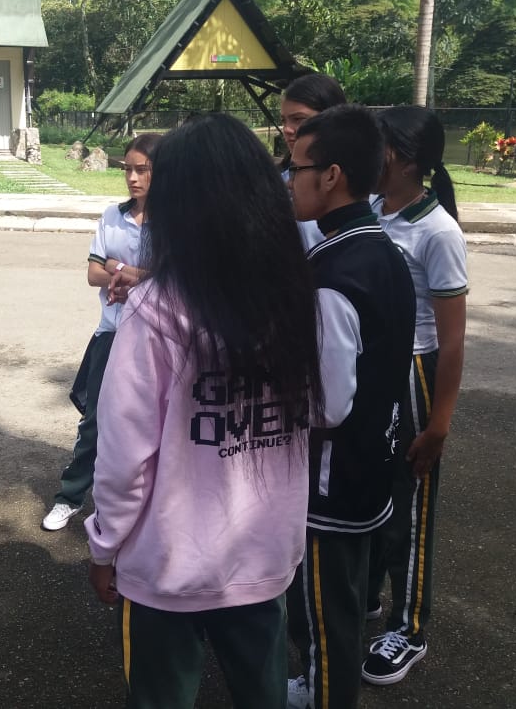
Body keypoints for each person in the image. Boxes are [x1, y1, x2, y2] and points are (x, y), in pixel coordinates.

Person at [85, 112, 323, 708]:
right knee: (263, 694)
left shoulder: (154, 309)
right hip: (264, 555)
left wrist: (104, 544)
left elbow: (124, 455)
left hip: (169, 567)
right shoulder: (297, 298)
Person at [282, 105, 416, 709]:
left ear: (332, 175)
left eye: (296, 168)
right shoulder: (381, 249)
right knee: (342, 600)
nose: (290, 180)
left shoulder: (333, 273)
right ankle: (321, 685)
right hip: (373, 462)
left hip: (332, 482)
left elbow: (327, 405)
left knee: (322, 612)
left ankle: (324, 694)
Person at [362, 105, 468, 686]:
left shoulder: (438, 232)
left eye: (376, 147)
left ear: (403, 159)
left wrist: (439, 424)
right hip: (373, 369)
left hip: (414, 376)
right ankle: (371, 596)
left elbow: (451, 343)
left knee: (411, 506)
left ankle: (409, 627)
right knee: (373, 492)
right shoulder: (373, 209)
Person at [42, 133, 160, 531]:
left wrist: (122, 269)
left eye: (142, 170)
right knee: (94, 419)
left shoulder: (178, 220)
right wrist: (125, 273)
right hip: (112, 333)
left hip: (158, 336)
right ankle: (70, 496)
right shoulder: (113, 216)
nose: (132, 178)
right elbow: (94, 273)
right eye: (127, 169)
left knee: (153, 423)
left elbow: (177, 276)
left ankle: (144, 506)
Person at [279, 73, 348, 250]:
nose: (287, 129)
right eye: (284, 120)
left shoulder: (365, 188)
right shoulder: (277, 183)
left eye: (298, 119)